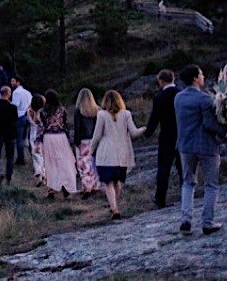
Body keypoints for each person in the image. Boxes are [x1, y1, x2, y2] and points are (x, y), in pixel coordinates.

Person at [175, 64, 225, 235]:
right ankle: (207, 222)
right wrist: (225, 133)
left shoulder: (178, 98)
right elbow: (209, 124)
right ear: (196, 78)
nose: (203, 77)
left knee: (188, 182)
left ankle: (186, 220)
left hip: (185, 146)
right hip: (206, 146)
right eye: (202, 74)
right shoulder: (204, 99)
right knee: (211, 184)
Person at [91, 89, 145, 218]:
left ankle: (114, 208)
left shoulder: (101, 115)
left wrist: (91, 150)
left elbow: (97, 136)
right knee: (117, 182)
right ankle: (115, 205)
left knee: (108, 183)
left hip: (105, 154)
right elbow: (134, 133)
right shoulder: (126, 114)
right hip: (122, 155)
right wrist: (145, 129)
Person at [142, 69, 181, 209]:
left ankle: (160, 198)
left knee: (164, 168)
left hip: (167, 136)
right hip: (182, 134)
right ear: (173, 79)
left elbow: (154, 119)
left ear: (161, 81)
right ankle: (187, 193)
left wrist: (147, 133)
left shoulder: (160, 98)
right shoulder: (180, 94)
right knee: (183, 166)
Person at [40, 90, 79, 199]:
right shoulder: (62, 110)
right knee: (64, 161)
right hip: (61, 137)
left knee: (50, 163)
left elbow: (43, 125)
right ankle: (66, 186)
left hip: (48, 137)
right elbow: (65, 124)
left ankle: (52, 189)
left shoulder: (43, 111)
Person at [0, 85, 20, 183]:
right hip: (10, 134)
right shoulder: (13, 107)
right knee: (10, 156)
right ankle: (8, 178)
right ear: (8, 94)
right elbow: (15, 119)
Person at [73, 88, 101, 194]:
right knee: (94, 163)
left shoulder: (78, 111)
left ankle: (87, 186)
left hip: (84, 140)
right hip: (95, 140)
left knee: (84, 164)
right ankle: (95, 185)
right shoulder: (97, 110)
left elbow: (77, 128)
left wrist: (76, 141)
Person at [9, 76, 34, 167]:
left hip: (20, 117)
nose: (11, 83)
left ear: (18, 82)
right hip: (28, 116)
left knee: (19, 139)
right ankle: (33, 157)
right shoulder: (27, 92)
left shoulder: (16, 92)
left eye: (13, 81)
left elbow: (15, 106)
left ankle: (20, 158)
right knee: (28, 138)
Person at [28, 93, 47, 184]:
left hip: (33, 135)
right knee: (43, 155)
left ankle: (39, 174)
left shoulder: (29, 111)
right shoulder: (43, 112)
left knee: (36, 156)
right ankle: (44, 175)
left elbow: (32, 122)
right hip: (42, 135)